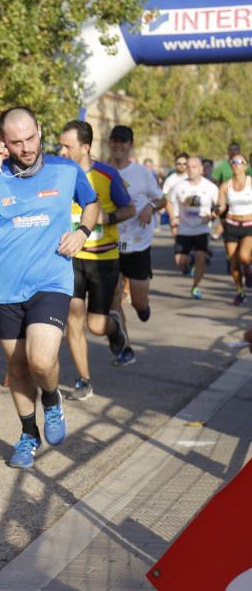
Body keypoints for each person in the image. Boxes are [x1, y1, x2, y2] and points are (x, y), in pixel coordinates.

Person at [0, 106, 98, 469]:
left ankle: (52, 400)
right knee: (18, 368)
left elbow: (91, 204)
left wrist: (82, 233)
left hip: (50, 279)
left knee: (41, 358)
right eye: (16, 142)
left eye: (31, 138)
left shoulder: (66, 169)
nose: (25, 148)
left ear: (40, 130)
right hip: (5, 287)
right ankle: (28, 434)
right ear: (2, 143)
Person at [57, 121, 133, 398]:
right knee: (73, 316)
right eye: (60, 145)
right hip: (71, 257)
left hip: (103, 259)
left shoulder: (107, 174)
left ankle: (114, 330)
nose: (61, 151)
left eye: (68, 146)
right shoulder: (57, 175)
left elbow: (130, 208)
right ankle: (84, 380)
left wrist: (107, 217)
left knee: (95, 325)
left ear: (85, 147)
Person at [108, 125, 166, 358]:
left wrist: (150, 208)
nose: (118, 145)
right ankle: (126, 347)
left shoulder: (142, 173)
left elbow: (162, 200)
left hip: (138, 245)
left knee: (138, 303)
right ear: (109, 143)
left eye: (123, 141)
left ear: (130, 145)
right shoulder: (102, 171)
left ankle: (143, 307)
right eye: (115, 140)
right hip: (111, 244)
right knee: (113, 299)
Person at [170, 156, 220, 299]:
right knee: (180, 261)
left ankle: (195, 286)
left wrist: (211, 216)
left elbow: (220, 205)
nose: (191, 169)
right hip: (184, 229)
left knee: (201, 256)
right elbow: (169, 202)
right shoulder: (179, 186)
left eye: (194, 166)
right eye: (189, 167)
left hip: (202, 229)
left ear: (201, 169)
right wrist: (174, 217)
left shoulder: (209, 187)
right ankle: (188, 263)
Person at [218, 152, 252, 305]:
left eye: (240, 161)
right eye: (233, 161)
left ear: (246, 165)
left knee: (244, 256)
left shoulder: (251, 183)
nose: (236, 164)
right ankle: (240, 292)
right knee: (234, 262)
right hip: (231, 225)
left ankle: (249, 272)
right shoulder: (225, 186)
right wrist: (216, 210)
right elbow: (221, 206)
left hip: (249, 225)